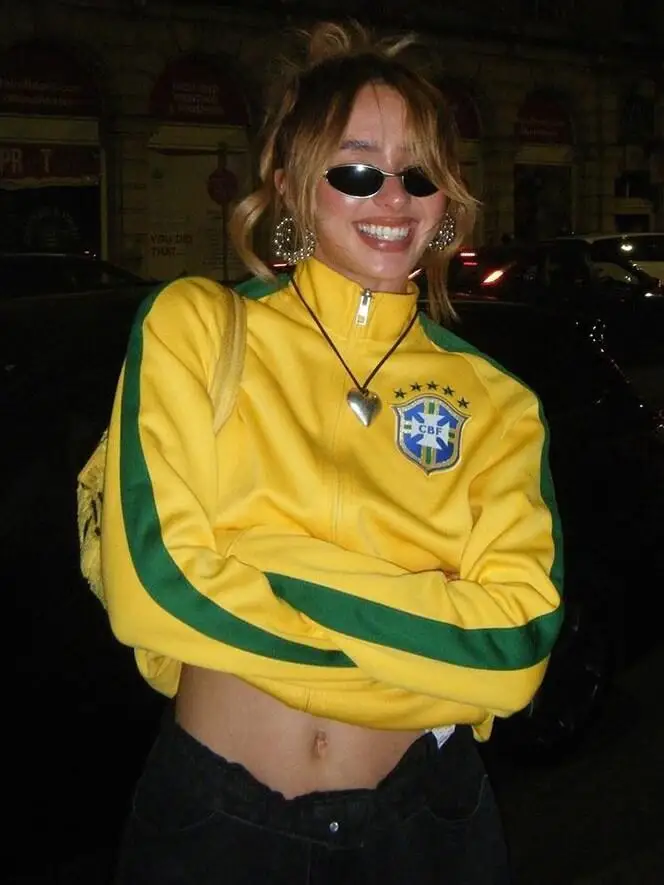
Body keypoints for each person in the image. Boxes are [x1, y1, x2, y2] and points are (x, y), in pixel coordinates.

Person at [104, 20, 564, 885]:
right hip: (217, 823)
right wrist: (431, 622)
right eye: (357, 170)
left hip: (428, 822)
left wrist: (256, 561)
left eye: (419, 172)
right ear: (290, 184)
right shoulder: (196, 328)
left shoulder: (500, 401)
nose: (394, 197)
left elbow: (515, 650)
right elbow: (153, 585)